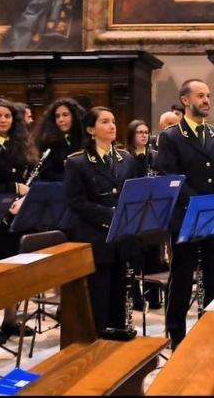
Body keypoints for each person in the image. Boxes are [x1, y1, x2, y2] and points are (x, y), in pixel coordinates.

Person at [155, 79, 214, 348]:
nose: (206, 100)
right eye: (200, 96)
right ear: (186, 100)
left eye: (208, 95)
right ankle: (176, 336)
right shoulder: (171, 136)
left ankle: (211, 332)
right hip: (187, 216)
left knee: (213, 278)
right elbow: (170, 177)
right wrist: (200, 203)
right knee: (182, 279)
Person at [64, 107, 138, 335]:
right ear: (90, 129)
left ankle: (117, 338)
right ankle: (97, 341)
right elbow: (76, 202)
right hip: (96, 237)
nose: (112, 126)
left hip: (121, 237)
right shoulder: (78, 162)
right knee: (99, 296)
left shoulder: (125, 158)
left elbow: (132, 193)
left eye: (113, 121)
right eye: (105, 121)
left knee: (120, 295)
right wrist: (111, 215)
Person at [0, 97, 38, 344]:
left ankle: (11, 319)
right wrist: (15, 187)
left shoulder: (21, 144)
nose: (3, 120)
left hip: (19, 214)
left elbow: (30, 175)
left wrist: (24, 195)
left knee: (16, 270)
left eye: (7, 116)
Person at [125, 119, 163, 311]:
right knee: (135, 257)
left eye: (146, 131)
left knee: (153, 256)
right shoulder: (126, 157)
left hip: (153, 212)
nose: (143, 135)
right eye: (139, 132)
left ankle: (153, 296)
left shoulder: (154, 156)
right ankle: (136, 298)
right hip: (134, 211)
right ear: (132, 135)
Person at [34, 98, 86, 182]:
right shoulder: (48, 142)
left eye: (65, 115)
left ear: (75, 116)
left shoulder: (85, 139)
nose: (60, 120)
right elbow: (45, 174)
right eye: (57, 116)